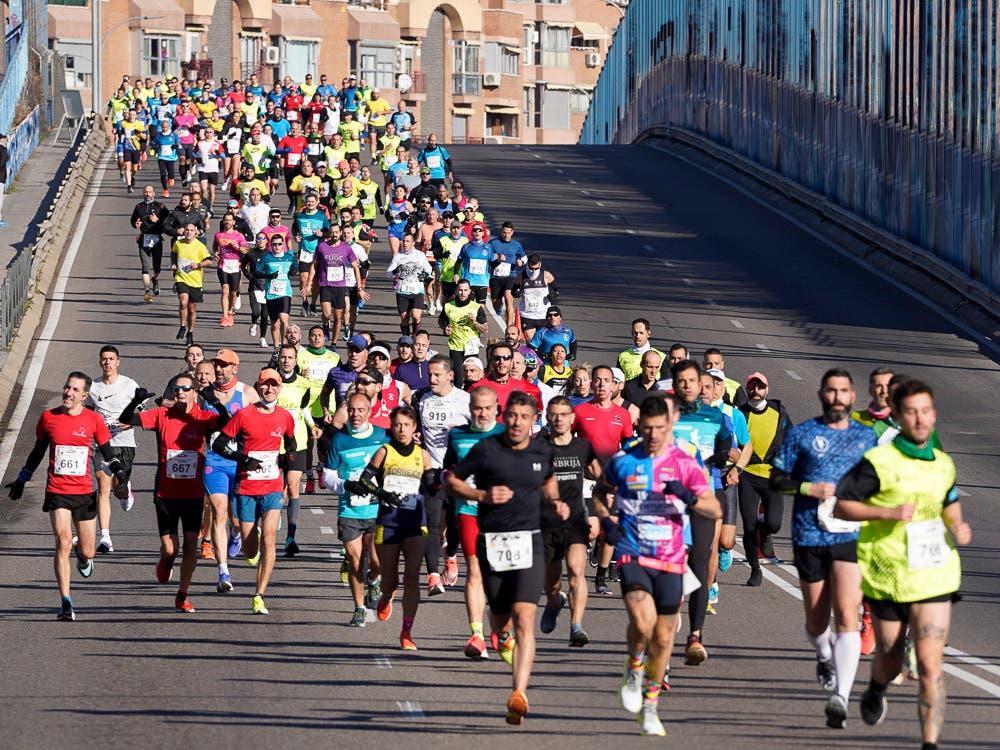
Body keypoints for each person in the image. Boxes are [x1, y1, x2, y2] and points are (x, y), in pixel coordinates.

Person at [834, 379, 970, 750]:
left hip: (934, 574)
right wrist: (888, 512)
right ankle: (877, 686)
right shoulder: (879, 461)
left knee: (929, 664)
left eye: (926, 411)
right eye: (912, 412)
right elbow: (842, 504)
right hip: (888, 571)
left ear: (935, 415)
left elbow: (950, 498)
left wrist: (957, 523)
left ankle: (930, 744)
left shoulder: (943, 463)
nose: (921, 419)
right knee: (891, 657)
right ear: (898, 416)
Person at [595, 394, 721, 736]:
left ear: (670, 427)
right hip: (633, 552)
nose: (652, 436)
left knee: (664, 637)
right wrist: (607, 521)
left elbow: (715, 510)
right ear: (640, 427)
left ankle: (650, 706)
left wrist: (690, 496)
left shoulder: (685, 462)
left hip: (671, 559)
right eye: (647, 429)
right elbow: (599, 493)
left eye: (659, 429)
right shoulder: (623, 460)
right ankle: (634, 666)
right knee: (642, 619)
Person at [446, 391, 569, 724]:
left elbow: (548, 479)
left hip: (530, 541)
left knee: (525, 618)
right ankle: (500, 637)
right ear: (505, 416)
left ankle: (518, 693)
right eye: (512, 416)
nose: (516, 422)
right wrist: (481, 494)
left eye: (523, 417)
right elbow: (452, 480)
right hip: (493, 542)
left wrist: (555, 502)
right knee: (501, 621)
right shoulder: (488, 449)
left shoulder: (543, 450)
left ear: (533, 420)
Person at [770, 368, 878, 729]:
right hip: (809, 535)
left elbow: (882, 480)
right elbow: (777, 476)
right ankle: (823, 655)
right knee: (818, 620)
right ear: (821, 395)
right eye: (830, 391)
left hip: (849, 536)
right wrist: (807, 489)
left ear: (852, 397)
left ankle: (841, 698)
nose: (836, 397)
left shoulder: (867, 438)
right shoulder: (802, 434)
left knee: (848, 613)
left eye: (843, 391)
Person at [6, 372, 130, 621]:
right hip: (57, 491)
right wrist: (22, 479)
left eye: (75, 390)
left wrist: (119, 471)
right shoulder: (48, 418)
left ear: (84, 396)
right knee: (62, 541)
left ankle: (83, 556)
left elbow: (107, 451)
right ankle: (66, 602)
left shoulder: (93, 420)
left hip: (83, 492)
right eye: (67, 387)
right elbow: (37, 452)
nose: (68, 393)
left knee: (89, 551)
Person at [122, 373, 229, 612]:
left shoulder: (203, 417)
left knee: (191, 545)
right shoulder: (162, 415)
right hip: (166, 494)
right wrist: (134, 402)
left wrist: (215, 401)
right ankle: (166, 559)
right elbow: (126, 418)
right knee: (171, 548)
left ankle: (182, 594)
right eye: (176, 388)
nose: (180, 392)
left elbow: (227, 423)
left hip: (192, 494)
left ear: (194, 393)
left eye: (185, 388)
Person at [347, 405, 434, 650]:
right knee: (391, 581)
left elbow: (430, 487)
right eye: (397, 425)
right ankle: (385, 596)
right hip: (388, 523)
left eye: (407, 425)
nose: (402, 429)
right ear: (391, 427)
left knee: (413, 577)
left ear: (415, 427)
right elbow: (365, 479)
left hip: (417, 523)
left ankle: (407, 631)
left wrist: (441, 481)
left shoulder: (422, 455)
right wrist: (382, 492)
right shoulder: (384, 452)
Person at [211, 368, 297, 615]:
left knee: (270, 538)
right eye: (265, 385)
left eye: (274, 385)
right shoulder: (244, 415)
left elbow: (290, 444)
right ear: (258, 387)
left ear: (280, 388)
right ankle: (250, 539)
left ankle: (259, 595)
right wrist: (243, 459)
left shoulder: (284, 417)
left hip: (271, 487)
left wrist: (284, 460)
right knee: (251, 550)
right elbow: (218, 444)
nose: (270, 390)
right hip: (246, 487)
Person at [669, 359, 731, 665]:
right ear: (675, 384)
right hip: (668, 502)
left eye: (692, 381)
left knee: (701, 560)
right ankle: (668, 616)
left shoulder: (716, 416)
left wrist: (714, 461)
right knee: (672, 563)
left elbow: (725, 447)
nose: (687, 386)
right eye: (681, 381)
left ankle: (695, 635)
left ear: (700, 384)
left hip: (701, 499)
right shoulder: (666, 413)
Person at [443, 386, 505, 657]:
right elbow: (448, 468)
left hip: (504, 516)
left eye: (487, 408)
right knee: (475, 570)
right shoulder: (457, 435)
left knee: (502, 576)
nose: (481, 413)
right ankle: (477, 635)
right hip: (469, 511)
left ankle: (499, 623)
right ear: (470, 409)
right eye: (477, 408)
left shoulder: (506, 434)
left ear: (496, 409)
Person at [539, 396, 602, 646]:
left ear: (572, 418)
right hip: (545, 521)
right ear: (547, 418)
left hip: (575, 518)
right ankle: (554, 602)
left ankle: (576, 625)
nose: (558, 419)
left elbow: (602, 475)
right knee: (551, 583)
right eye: (554, 414)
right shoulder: (538, 445)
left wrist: (602, 505)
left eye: (563, 414)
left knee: (577, 570)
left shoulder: (582, 447)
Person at [412, 356, 471, 596]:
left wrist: (459, 431)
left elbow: (480, 429)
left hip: (459, 471)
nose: (432, 379)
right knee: (432, 523)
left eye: (437, 375)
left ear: (450, 376)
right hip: (431, 469)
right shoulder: (421, 398)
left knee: (454, 524)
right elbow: (414, 425)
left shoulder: (466, 400)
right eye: (430, 374)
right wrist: (417, 436)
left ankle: (450, 554)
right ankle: (433, 575)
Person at [85, 346, 141, 554]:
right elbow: (89, 412)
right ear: (100, 363)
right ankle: (105, 537)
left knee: (118, 490)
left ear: (118, 362)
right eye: (104, 359)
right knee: (103, 487)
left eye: (111, 359)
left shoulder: (129, 385)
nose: (107, 362)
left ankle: (126, 491)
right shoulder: (93, 386)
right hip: (102, 442)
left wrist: (129, 422)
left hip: (124, 442)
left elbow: (142, 411)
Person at [738, 371, 792, 581]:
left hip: (772, 475)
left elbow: (791, 439)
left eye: (760, 387)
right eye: (752, 387)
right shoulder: (741, 414)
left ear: (767, 389)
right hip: (748, 475)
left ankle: (766, 531)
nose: (756, 391)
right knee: (749, 526)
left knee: (774, 523)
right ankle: (755, 568)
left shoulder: (779, 411)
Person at [439, 279, 488, 386]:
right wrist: (445, 328)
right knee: (459, 377)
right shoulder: (448, 306)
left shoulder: (476, 307)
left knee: (471, 377)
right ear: (456, 291)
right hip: (455, 346)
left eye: (465, 290)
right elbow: (441, 320)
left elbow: (485, 329)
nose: (462, 293)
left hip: (471, 347)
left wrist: (474, 322)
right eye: (460, 290)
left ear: (470, 291)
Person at [170, 223, 213, 346]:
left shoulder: (200, 246)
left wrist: (198, 265)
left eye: (191, 230)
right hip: (181, 278)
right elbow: (173, 253)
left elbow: (209, 260)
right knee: (183, 302)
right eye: (187, 230)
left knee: (192, 309)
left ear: (196, 233)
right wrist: (174, 263)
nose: (189, 232)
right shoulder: (178, 243)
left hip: (195, 281)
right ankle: (182, 326)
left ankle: (190, 332)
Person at [386, 233, 433, 336]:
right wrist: (395, 271)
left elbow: (428, 269)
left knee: (416, 316)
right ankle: (406, 339)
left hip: (417, 290)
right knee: (404, 318)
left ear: (413, 243)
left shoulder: (420, 255)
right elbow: (388, 273)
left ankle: (415, 336)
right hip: (402, 290)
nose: (405, 243)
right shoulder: (398, 256)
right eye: (404, 241)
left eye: (408, 241)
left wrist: (425, 275)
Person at [130, 185, 170, 302]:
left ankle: (155, 279)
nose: (147, 194)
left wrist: (157, 220)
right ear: (143, 193)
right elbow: (133, 220)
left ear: (154, 193)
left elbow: (167, 222)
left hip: (157, 239)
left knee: (156, 267)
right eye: (146, 192)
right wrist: (135, 224)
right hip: (144, 239)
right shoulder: (139, 207)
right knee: (145, 266)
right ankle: (147, 292)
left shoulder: (160, 206)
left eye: (150, 192)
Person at [488, 222, 526, 327]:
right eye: (504, 233)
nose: (506, 235)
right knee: (496, 302)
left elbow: (524, 257)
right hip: (496, 276)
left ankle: (509, 326)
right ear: (501, 232)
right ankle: (499, 308)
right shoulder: (493, 243)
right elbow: (488, 257)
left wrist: (521, 262)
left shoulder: (516, 245)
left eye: (509, 233)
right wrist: (496, 258)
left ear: (512, 233)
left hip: (511, 275)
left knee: (509, 298)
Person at [517, 254, 559, 341]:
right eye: (531, 268)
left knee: (543, 342)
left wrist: (553, 295)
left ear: (540, 264)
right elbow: (514, 291)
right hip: (527, 315)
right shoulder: (521, 276)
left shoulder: (546, 275)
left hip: (543, 315)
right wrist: (516, 292)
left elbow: (557, 290)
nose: (533, 271)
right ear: (528, 264)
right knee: (532, 344)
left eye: (536, 269)